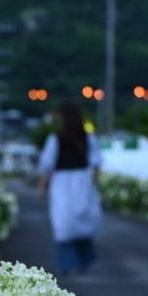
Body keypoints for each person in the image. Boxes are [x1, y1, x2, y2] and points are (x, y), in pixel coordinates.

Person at [36, 102, 103, 274]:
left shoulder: (61, 139)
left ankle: (70, 263)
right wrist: (94, 185)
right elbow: (96, 165)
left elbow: (47, 165)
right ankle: (77, 261)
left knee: (67, 222)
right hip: (79, 183)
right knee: (73, 222)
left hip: (66, 184)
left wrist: (42, 186)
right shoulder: (84, 138)